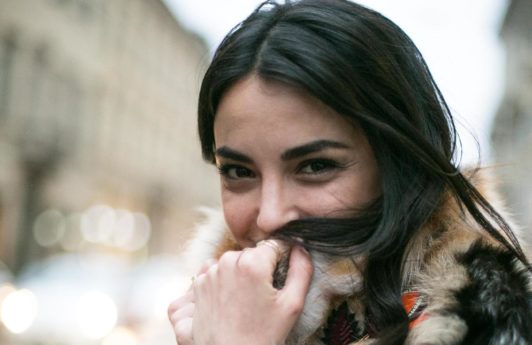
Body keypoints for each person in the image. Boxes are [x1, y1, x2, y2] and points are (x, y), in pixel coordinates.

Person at [167, 0, 532, 344]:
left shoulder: (488, 318)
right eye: (238, 171)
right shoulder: (205, 314)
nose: (270, 216)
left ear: (397, 167)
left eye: (315, 166)